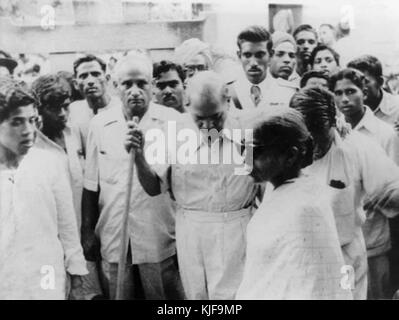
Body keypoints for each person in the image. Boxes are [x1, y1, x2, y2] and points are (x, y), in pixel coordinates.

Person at [125, 70, 259, 299]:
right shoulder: (169, 132)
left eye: (216, 117)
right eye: (199, 118)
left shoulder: (249, 129)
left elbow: (263, 185)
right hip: (191, 230)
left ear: (227, 102)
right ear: (187, 104)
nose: (208, 125)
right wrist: (138, 156)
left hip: (238, 228)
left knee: (235, 298)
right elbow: (153, 188)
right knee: (196, 296)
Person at [82, 52, 184, 300]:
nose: (135, 90)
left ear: (152, 86)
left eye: (142, 83)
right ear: (116, 87)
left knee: (162, 298)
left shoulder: (172, 122)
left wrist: (139, 153)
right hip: (114, 231)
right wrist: (87, 231)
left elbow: (161, 184)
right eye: (127, 84)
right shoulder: (99, 124)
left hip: (157, 231)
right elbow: (91, 184)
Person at [290, 86, 399, 300]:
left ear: (333, 122)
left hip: (343, 255)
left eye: (319, 137)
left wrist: (385, 196)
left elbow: (392, 188)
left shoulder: (357, 146)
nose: (312, 146)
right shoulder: (287, 146)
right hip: (298, 254)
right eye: (305, 136)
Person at [235, 107, 352, 300]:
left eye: (254, 153)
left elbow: (312, 286)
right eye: (242, 151)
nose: (245, 162)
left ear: (290, 156)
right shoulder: (279, 189)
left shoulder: (305, 207)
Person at [0, 77, 88, 299]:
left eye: (32, 120)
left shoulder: (49, 163)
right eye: (17, 122)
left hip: (46, 276)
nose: (28, 130)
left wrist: (76, 276)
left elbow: (68, 228)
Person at [330, 68, 399, 299]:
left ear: (364, 92)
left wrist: (355, 193)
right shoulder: (332, 135)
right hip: (343, 243)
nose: (344, 99)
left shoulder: (384, 133)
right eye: (338, 93)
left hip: (375, 238)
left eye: (351, 91)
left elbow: (390, 186)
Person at [230, 25, 297, 111]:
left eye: (260, 55)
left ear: (271, 55)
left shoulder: (288, 92)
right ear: (239, 56)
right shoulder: (228, 92)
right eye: (247, 55)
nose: (253, 63)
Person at [69, 54, 119, 152]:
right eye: (83, 76)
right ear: (75, 84)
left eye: (96, 74)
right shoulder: (73, 111)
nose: (90, 81)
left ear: (107, 78)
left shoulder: (121, 107)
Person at [347, 55, 399, 126]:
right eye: (353, 82)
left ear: (380, 82)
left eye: (365, 81)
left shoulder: (396, 108)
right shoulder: (345, 111)